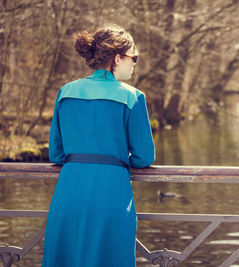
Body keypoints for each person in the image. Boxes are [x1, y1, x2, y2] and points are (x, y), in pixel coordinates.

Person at [42, 24, 155, 267]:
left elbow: (56, 152)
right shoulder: (133, 97)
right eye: (132, 57)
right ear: (117, 58)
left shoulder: (66, 92)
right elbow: (144, 156)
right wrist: (118, 158)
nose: (134, 63)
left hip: (68, 191)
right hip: (110, 191)